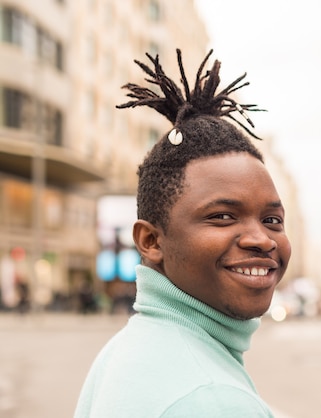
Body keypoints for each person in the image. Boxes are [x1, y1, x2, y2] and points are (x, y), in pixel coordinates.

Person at [74, 49, 291, 417]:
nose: (262, 239)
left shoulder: (126, 349)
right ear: (151, 241)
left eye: (272, 220)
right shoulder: (211, 397)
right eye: (223, 216)